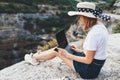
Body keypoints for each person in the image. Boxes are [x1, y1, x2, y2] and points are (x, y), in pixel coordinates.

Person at [24, 2, 110, 79]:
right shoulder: (100, 27)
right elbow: (97, 52)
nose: (79, 19)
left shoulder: (94, 34)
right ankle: (35, 56)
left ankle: (33, 57)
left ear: (85, 17)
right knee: (61, 48)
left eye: (79, 17)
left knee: (58, 51)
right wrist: (79, 50)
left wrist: (67, 55)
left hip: (88, 71)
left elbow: (88, 60)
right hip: (94, 66)